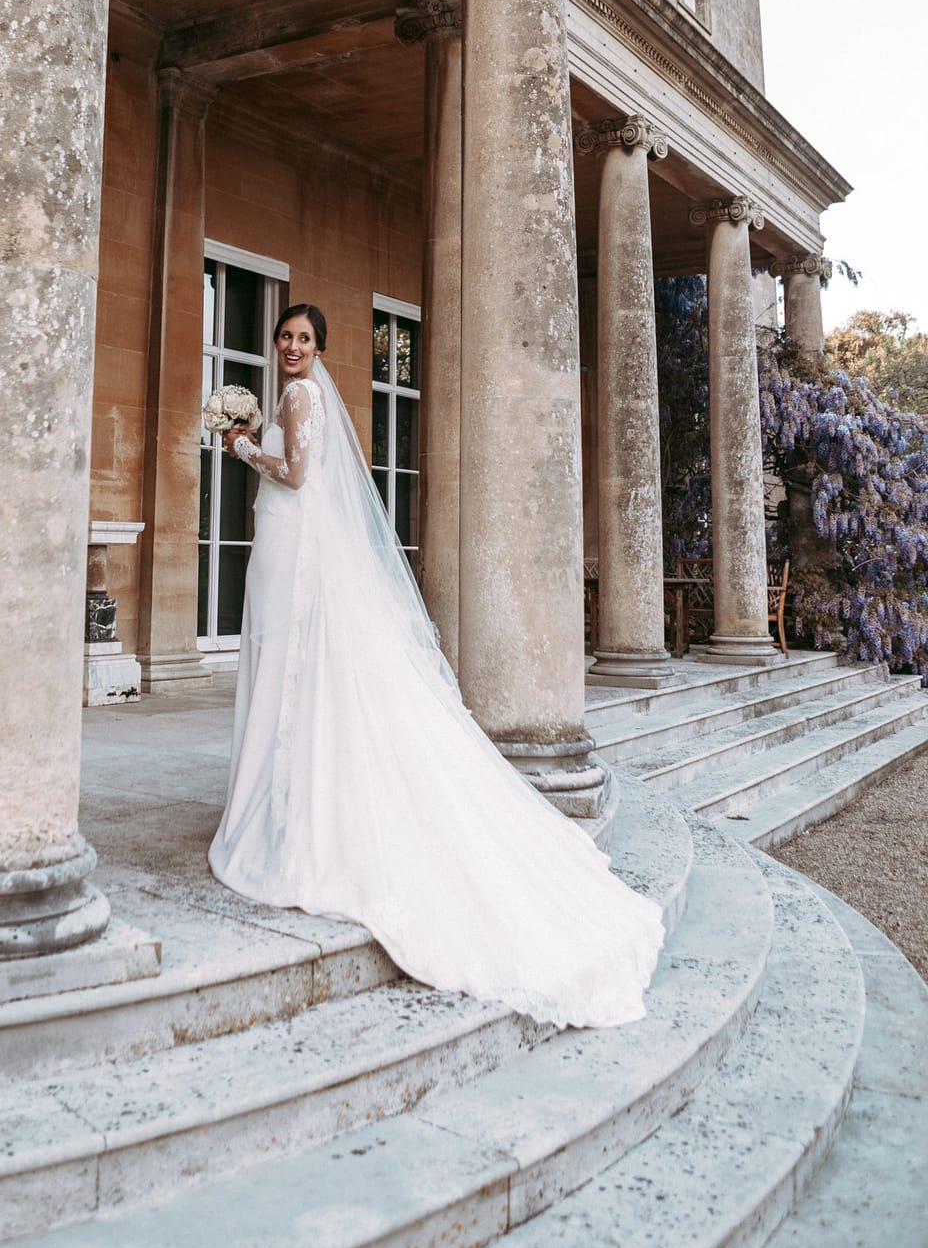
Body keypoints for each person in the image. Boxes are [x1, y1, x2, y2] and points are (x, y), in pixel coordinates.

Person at [208, 302, 665, 1027]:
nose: (293, 347)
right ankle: (285, 792)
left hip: (295, 548)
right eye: (286, 337)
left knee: (289, 671)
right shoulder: (312, 393)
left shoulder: (298, 395)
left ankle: (287, 809)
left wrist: (238, 446)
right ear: (277, 343)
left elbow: (295, 475)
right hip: (296, 546)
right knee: (302, 675)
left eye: (304, 338)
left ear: (319, 349)